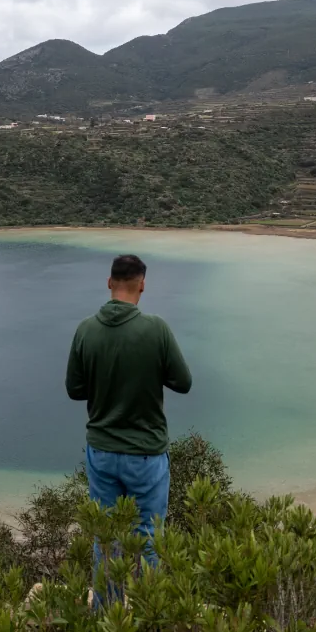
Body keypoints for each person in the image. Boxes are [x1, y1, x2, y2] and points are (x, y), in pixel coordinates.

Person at [66, 253, 192, 601]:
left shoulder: (85, 330)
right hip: (146, 454)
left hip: (102, 451)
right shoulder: (156, 329)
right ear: (143, 285)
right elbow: (183, 382)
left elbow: (74, 390)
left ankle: (107, 618)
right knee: (151, 538)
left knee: (106, 537)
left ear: (109, 283)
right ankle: (151, 618)